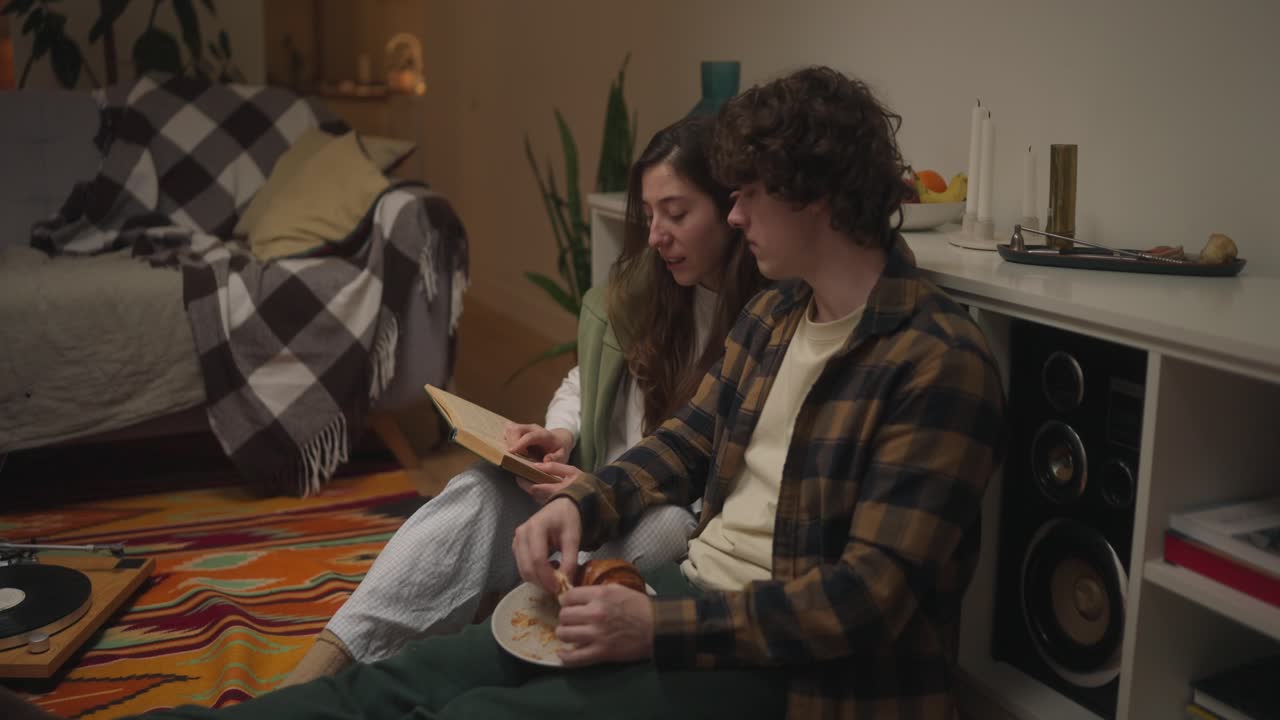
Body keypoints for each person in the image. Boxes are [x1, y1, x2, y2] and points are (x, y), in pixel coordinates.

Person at [0, 66, 1007, 720]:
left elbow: (868, 600)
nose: (734, 215)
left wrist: (652, 627)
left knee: (480, 714)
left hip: (785, 673)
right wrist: (579, 500)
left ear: (816, 197)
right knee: (415, 678)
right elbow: (681, 447)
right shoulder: (777, 318)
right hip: (684, 597)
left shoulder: (935, 363)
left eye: (744, 194)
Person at [280, 114, 768, 683]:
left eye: (677, 214)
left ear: (732, 213)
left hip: (657, 516)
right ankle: (320, 669)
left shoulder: (763, 324)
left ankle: (518, 645)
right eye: (651, 213)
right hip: (586, 490)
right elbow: (584, 381)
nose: (657, 234)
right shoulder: (640, 290)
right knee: (477, 494)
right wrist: (561, 434)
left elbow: (719, 477)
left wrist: (595, 493)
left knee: (662, 527)